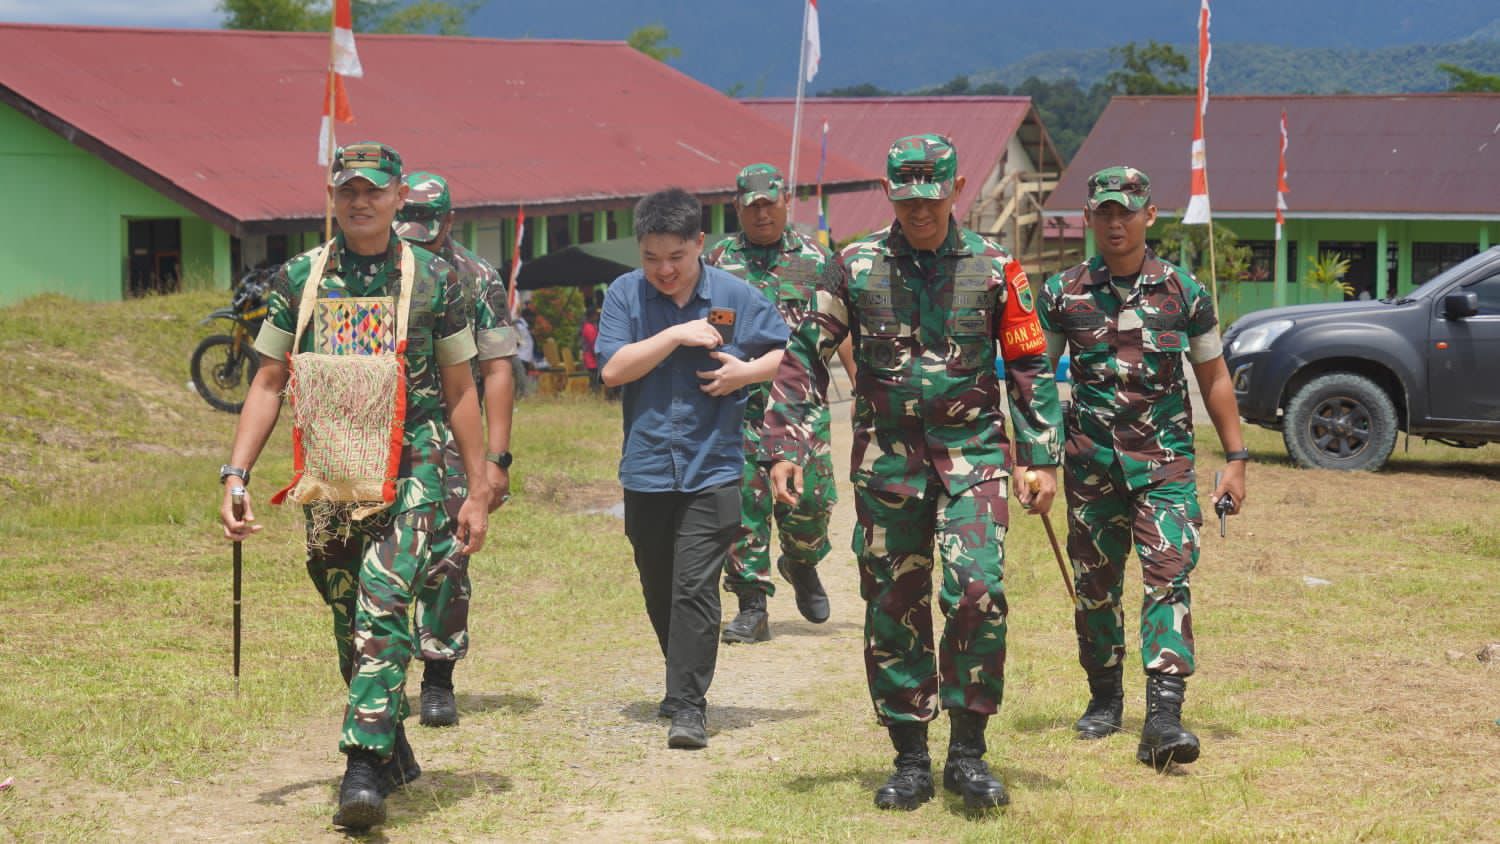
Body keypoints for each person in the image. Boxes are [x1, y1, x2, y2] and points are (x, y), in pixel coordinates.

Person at [763, 135, 1063, 812]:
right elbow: (803, 353)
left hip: (975, 460)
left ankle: (968, 752)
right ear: (889, 193)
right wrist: (785, 441)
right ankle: (909, 759)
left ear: (955, 190)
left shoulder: (995, 267)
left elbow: (1028, 366)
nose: (919, 212)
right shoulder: (854, 266)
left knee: (976, 591)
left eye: (931, 198)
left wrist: (1041, 454)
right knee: (894, 607)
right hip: (888, 464)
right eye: (905, 199)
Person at [217, 141, 491, 831]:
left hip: (416, 469)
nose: (360, 200)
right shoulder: (298, 278)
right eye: (348, 189)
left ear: (400, 197)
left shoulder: (435, 280)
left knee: (383, 601)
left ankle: (361, 767)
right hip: (333, 473)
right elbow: (268, 380)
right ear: (332, 195)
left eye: (374, 189)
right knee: (347, 610)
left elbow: (462, 389)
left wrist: (479, 487)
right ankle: (390, 736)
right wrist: (237, 473)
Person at [1037, 166, 1248, 770]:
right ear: (1089, 218)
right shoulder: (1063, 293)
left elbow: (1213, 376)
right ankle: (1104, 699)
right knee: (1095, 590)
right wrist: (1039, 460)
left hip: (1164, 467)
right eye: (1104, 211)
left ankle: (1163, 717)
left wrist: (1236, 459)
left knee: (1167, 578)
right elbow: (1038, 383)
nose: (1115, 222)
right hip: (1090, 468)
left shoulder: (1184, 292)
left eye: (1126, 211)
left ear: (1149, 216)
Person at [595, 188, 789, 749]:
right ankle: (680, 679)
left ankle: (688, 705)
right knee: (659, 587)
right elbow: (612, 370)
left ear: (699, 244)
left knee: (693, 589)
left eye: (676, 257)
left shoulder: (734, 294)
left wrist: (745, 374)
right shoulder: (624, 296)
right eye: (651, 257)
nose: (663, 270)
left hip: (714, 467)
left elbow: (789, 353)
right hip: (648, 468)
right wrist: (675, 334)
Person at [707, 163, 856, 643]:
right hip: (736, 404)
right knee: (741, 507)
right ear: (737, 208)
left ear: (785, 200)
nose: (762, 214)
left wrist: (860, 388)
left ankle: (801, 559)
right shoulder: (717, 261)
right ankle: (752, 604)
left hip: (801, 408)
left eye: (770, 203)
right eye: (752, 207)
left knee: (808, 503)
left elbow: (843, 329)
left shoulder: (817, 260)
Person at [395, 171, 518, 727]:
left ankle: (439, 673)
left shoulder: (477, 278)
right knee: (386, 556)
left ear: (449, 221)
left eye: (428, 227)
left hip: (451, 433)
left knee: (449, 554)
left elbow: (495, 369)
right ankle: (384, 672)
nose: (416, 238)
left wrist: (496, 459)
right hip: (385, 434)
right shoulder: (380, 269)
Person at [580, 305, 601, 393]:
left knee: (594, 381)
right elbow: (594, 344)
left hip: (591, 359)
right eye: (596, 315)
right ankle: (596, 398)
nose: (597, 317)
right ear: (592, 316)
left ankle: (596, 397)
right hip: (592, 360)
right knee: (594, 382)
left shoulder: (590, 326)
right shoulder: (589, 328)